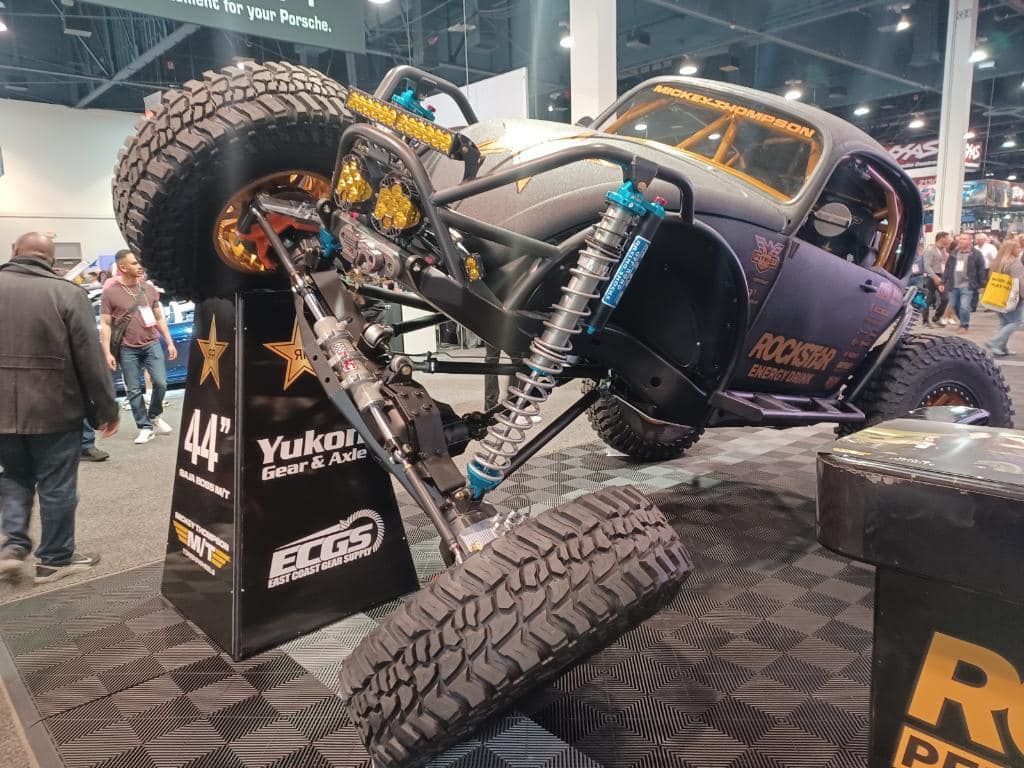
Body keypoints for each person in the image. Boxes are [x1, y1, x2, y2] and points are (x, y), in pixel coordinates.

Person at [0, 233, 119, 583]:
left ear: (14, 252)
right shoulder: (68, 293)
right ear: (52, 262)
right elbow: (90, 359)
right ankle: (54, 560)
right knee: (57, 486)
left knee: (14, 477)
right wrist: (106, 410)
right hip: (54, 409)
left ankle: (12, 547)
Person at [99, 250, 177, 444]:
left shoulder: (149, 289)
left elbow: (159, 317)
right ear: (123, 267)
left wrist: (169, 341)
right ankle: (144, 427)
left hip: (151, 344)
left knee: (161, 383)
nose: (139, 266)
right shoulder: (110, 293)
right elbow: (106, 325)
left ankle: (154, 415)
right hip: (127, 348)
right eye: (134, 263)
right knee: (133, 390)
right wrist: (107, 351)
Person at [985, 239, 1024, 356]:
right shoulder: (1015, 263)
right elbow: (1020, 282)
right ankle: (994, 342)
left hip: (998, 296)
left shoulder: (997, 262)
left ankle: (1002, 347)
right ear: (1012, 250)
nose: (1019, 250)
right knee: (1017, 322)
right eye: (1017, 248)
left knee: (1004, 322)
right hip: (1013, 297)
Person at [943, 232, 986, 333]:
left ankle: (964, 325)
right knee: (953, 305)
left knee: (964, 306)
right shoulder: (954, 253)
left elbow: (981, 270)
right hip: (953, 285)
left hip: (967, 285)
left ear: (970, 241)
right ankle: (962, 319)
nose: (961, 240)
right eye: (960, 238)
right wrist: (943, 281)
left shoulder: (976, 254)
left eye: (964, 239)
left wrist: (982, 284)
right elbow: (948, 268)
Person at [923, 231, 951, 326]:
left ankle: (937, 317)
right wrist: (935, 277)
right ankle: (925, 320)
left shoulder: (943, 250)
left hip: (942, 276)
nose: (949, 240)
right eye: (947, 238)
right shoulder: (930, 250)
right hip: (932, 277)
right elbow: (927, 266)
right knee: (929, 298)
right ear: (942, 238)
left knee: (945, 298)